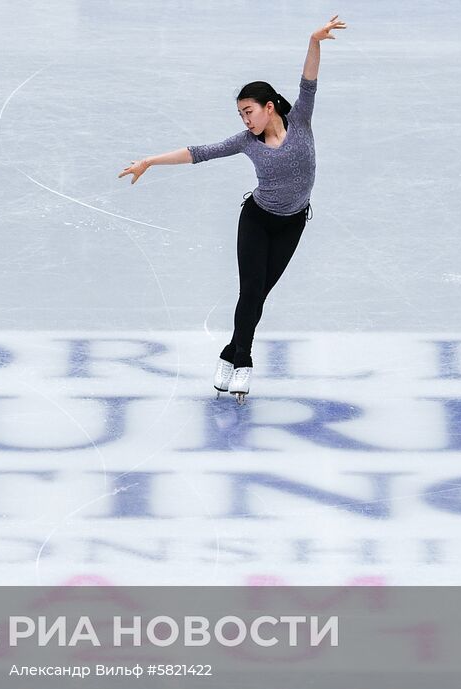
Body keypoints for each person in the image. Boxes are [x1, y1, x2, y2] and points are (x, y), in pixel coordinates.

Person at [119, 16, 347, 401]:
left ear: (269, 107)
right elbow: (199, 152)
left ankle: (228, 352)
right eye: (241, 114)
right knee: (250, 293)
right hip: (257, 220)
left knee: (258, 296)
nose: (245, 119)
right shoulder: (245, 141)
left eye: (249, 111)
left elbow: (309, 79)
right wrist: (150, 161)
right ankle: (243, 362)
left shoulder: (301, 121)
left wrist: (314, 40)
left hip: (293, 224)